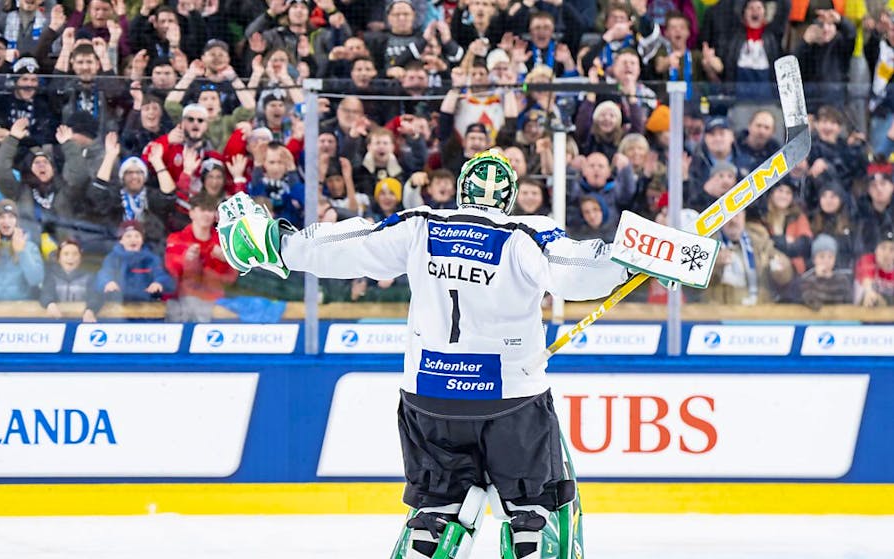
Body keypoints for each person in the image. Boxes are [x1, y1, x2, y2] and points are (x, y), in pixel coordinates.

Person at [216, 149, 636, 559]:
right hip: (512, 402)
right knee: (534, 515)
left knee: (436, 511)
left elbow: (353, 244)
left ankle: (431, 529)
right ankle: (529, 531)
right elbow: (575, 268)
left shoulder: (423, 225)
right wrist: (630, 261)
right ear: (508, 199)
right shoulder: (524, 234)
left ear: (460, 190)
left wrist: (278, 243)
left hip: (429, 399)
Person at [163, 193, 237, 322]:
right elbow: (171, 271)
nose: (206, 214)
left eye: (210, 210)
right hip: (183, 300)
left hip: (214, 301)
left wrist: (226, 261)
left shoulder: (224, 241)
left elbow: (231, 279)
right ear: (191, 213)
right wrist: (187, 260)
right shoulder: (177, 239)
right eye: (202, 210)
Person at [0, 199, 44, 301]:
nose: (6, 221)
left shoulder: (30, 247)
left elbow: (35, 280)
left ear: (17, 221)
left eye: (11, 217)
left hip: (22, 306)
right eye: (2, 217)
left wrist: (22, 252)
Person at [96, 220, 174, 303]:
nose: (133, 239)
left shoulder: (151, 259)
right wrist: (107, 282)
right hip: (118, 304)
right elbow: (104, 274)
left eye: (137, 236)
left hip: (146, 304)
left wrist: (159, 283)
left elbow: (162, 275)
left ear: (142, 240)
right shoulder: (113, 258)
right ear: (121, 240)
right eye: (128, 236)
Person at [40, 239, 102, 322]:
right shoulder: (52, 276)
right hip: (58, 321)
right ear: (59, 258)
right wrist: (49, 304)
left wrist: (90, 309)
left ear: (80, 257)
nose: (70, 258)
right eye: (66, 254)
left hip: (82, 321)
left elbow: (95, 297)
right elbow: (46, 294)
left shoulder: (89, 277)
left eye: (75, 254)